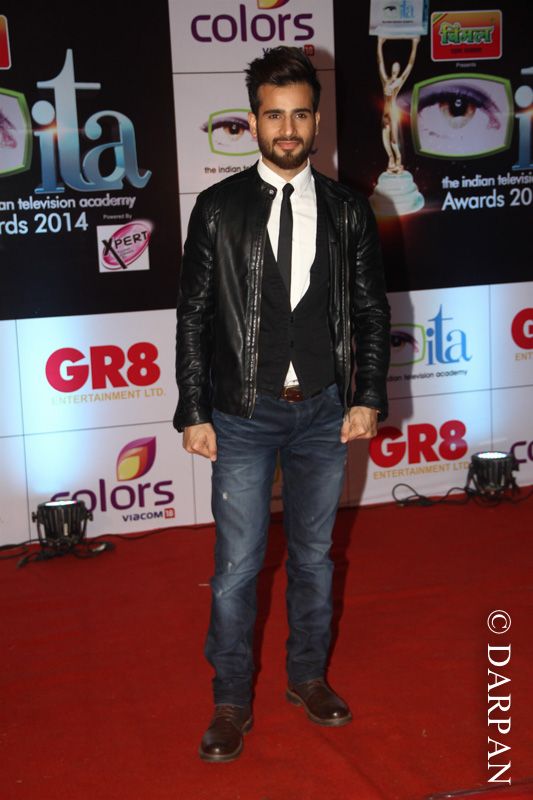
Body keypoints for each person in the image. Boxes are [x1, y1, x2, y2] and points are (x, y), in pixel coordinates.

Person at [174, 46, 390, 763]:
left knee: (315, 559)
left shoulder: (348, 210)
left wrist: (367, 396)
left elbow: (370, 310)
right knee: (237, 567)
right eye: (274, 115)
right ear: (253, 121)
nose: (288, 129)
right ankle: (230, 699)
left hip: (324, 412)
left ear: (317, 120)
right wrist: (193, 409)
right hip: (241, 413)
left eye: (300, 115)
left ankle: (307, 677)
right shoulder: (217, 208)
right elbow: (193, 315)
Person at [377, 36, 419, 173]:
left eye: (397, 68)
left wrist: (415, 45)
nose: (395, 70)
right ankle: (391, 158)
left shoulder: (398, 81)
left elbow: (410, 66)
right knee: (385, 138)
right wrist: (379, 43)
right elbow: (380, 62)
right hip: (385, 113)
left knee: (394, 141)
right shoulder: (386, 80)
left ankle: (398, 159)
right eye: (393, 67)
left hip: (393, 114)